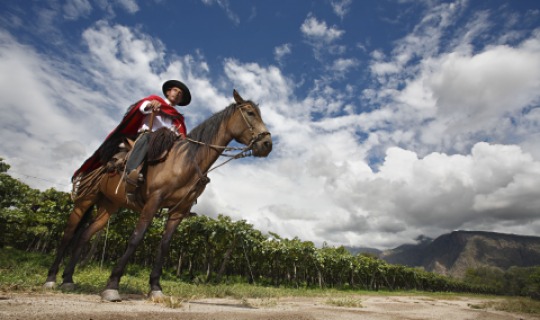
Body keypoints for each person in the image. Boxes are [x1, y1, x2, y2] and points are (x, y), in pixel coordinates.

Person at [72, 80, 191, 199]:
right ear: (168, 92)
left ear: (180, 100)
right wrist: (150, 105)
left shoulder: (177, 117)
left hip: (164, 144)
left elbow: (179, 133)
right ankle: (131, 171)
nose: (177, 94)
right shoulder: (155, 100)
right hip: (147, 135)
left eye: (180, 94)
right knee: (147, 138)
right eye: (175, 90)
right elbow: (142, 107)